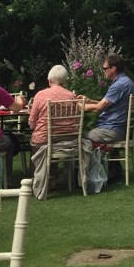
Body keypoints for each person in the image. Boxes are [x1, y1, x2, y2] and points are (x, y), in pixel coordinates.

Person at [75, 54, 134, 188]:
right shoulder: (126, 82)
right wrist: (89, 101)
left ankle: (85, 178)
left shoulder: (118, 85)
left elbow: (99, 108)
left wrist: (81, 107)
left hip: (112, 130)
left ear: (113, 68)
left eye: (104, 68)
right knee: (85, 135)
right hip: (119, 128)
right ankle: (114, 169)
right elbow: (106, 103)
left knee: (80, 137)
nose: (103, 71)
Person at [28, 65, 78, 200]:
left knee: (38, 141)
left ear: (49, 81)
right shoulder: (71, 95)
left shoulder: (41, 95)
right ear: (64, 81)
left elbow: (32, 123)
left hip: (45, 138)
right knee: (53, 139)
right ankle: (52, 178)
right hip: (69, 139)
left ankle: (36, 181)